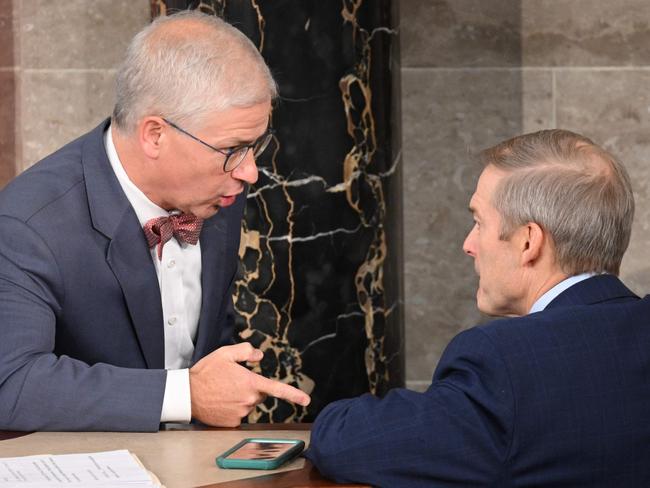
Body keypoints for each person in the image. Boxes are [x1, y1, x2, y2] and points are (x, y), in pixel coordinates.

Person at [0, 11, 310, 432]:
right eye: (234, 148)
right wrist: (187, 396)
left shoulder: (219, 188)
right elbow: (11, 384)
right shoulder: (27, 225)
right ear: (155, 135)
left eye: (255, 146)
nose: (251, 172)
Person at [305, 130, 650, 486]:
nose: (468, 245)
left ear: (528, 241)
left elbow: (345, 443)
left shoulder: (505, 364)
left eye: (479, 222)